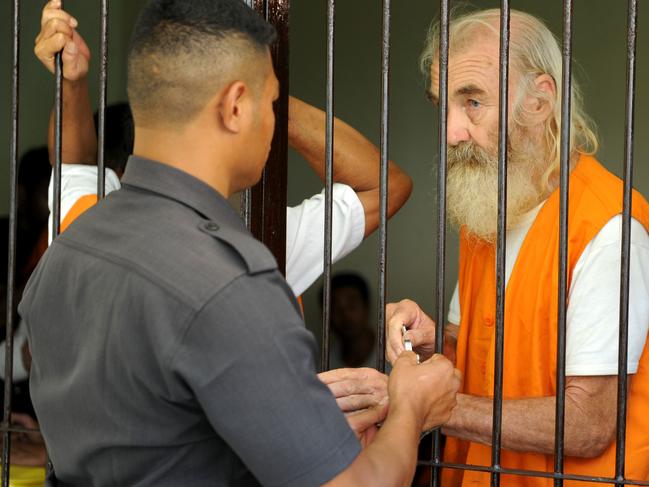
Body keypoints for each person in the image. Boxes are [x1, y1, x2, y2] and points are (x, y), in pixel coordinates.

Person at [20, 0, 461, 485]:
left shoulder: (71, 243)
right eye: (270, 100)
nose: (273, 121)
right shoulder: (231, 280)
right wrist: (413, 404)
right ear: (234, 106)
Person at [385, 8, 649, 485]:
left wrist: (416, 404)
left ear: (539, 101)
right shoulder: (490, 208)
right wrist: (428, 347)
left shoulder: (608, 226)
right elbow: (478, 355)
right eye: (442, 105)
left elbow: (587, 425)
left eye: (473, 102)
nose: (451, 133)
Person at [35, 1, 413, 298]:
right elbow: (385, 187)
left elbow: (73, 164)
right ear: (235, 107)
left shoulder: (84, 221)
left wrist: (72, 81)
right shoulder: (257, 246)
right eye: (267, 105)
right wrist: (259, 89)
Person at [323, 272, 377, 368]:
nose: (346, 315)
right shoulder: (324, 364)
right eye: (336, 309)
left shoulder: (394, 356)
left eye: (352, 306)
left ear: (367, 306)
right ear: (326, 316)